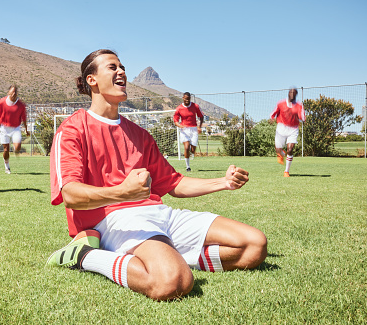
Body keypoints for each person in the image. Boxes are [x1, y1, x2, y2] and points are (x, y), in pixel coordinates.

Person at [47, 49, 267, 301]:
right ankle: (84, 255)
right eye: (112, 67)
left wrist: (223, 182)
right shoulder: (73, 129)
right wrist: (123, 193)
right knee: (171, 283)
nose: (122, 72)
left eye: (122, 67)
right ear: (91, 80)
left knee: (253, 246)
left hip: (160, 215)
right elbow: (71, 195)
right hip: (112, 220)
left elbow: (174, 183)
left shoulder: (140, 135)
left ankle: (169, 257)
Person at [0, 85, 29, 174]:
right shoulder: (2, 102)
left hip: (15, 128)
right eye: (12, 92)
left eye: (15, 92)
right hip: (4, 128)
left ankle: (15, 147)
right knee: (6, 150)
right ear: (8, 92)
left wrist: (26, 130)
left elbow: (24, 118)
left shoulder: (20, 105)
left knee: (17, 147)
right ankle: (7, 167)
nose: (14, 94)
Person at [270, 88, 305, 177]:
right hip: (281, 127)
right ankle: (281, 154)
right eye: (291, 92)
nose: (292, 94)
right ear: (288, 93)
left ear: (296, 95)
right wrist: (272, 118)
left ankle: (286, 171)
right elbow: (273, 113)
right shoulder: (281, 103)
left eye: (294, 93)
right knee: (278, 149)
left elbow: (303, 117)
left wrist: (302, 118)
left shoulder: (299, 105)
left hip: (293, 129)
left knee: (290, 149)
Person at [173, 92, 204, 171]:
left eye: (188, 99)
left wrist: (199, 127)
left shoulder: (195, 106)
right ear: (183, 98)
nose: (187, 100)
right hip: (184, 129)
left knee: (193, 151)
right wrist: (180, 126)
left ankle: (191, 148)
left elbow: (201, 116)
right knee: (186, 148)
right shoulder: (179, 108)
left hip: (194, 129)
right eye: (186, 99)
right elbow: (175, 120)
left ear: (190, 98)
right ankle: (188, 167)